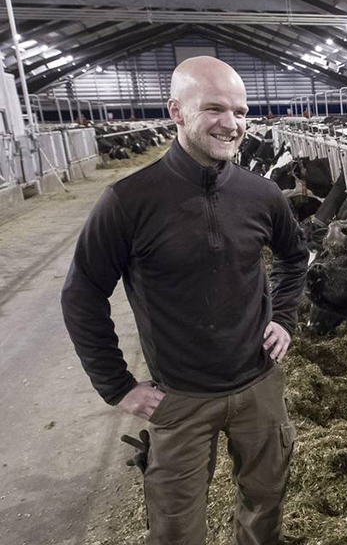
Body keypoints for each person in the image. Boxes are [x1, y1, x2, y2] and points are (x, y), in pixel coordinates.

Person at [61, 56, 309, 544]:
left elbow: (294, 257)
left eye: (241, 110)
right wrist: (119, 386)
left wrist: (282, 317)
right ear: (175, 111)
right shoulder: (128, 201)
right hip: (178, 398)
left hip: (259, 387)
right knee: (175, 528)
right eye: (214, 108)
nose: (233, 124)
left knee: (266, 506)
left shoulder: (263, 195)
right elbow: (82, 294)